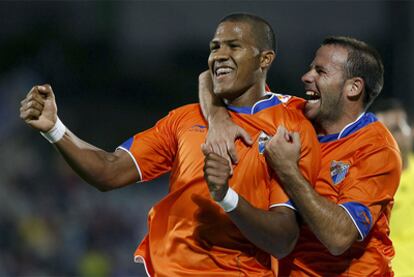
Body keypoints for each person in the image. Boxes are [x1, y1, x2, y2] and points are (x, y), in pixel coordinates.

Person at [20, 14, 320, 276]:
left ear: (265, 59)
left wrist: (226, 197)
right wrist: (54, 128)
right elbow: (109, 172)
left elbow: (282, 240)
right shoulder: (183, 119)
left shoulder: (291, 125)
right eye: (215, 47)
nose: (219, 55)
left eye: (234, 46)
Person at [200, 36, 402, 276]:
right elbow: (208, 78)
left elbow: (339, 238)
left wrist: (288, 170)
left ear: (353, 87)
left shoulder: (376, 149)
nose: (306, 77)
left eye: (320, 71)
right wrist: (217, 118)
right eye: (310, 68)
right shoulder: (293, 115)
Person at [373, 98, 414, 276]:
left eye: (396, 129)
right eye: (384, 131)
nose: (390, 137)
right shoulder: (362, 186)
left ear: (411, 131)